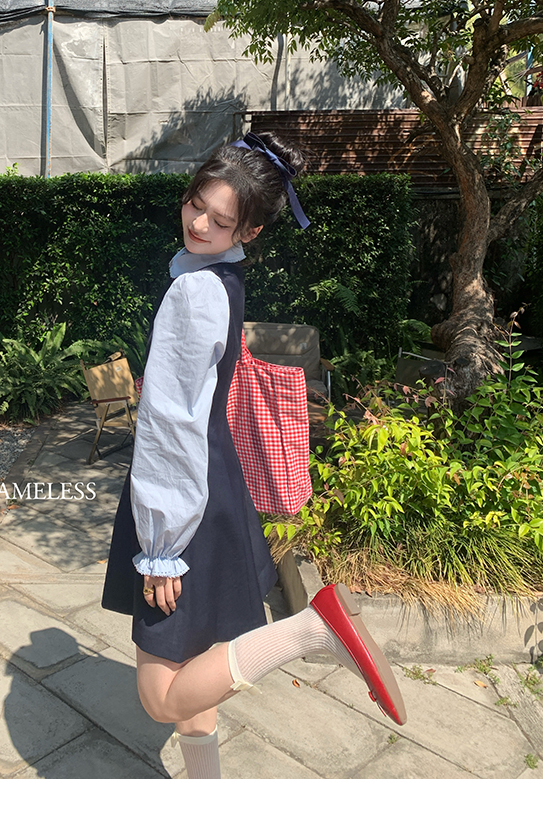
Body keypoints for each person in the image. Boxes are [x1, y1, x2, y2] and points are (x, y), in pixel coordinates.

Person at [103, 142, 405, 768]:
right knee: (194, 678)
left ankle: (311, 630)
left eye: (220, 220)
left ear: (250, 230)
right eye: (196, 204)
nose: (198, 224)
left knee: (160, 696)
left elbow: (170, 424)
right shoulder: (223, 278)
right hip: (214, 490)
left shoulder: (194, 292)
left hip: (183, 504)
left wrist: (161, 546)